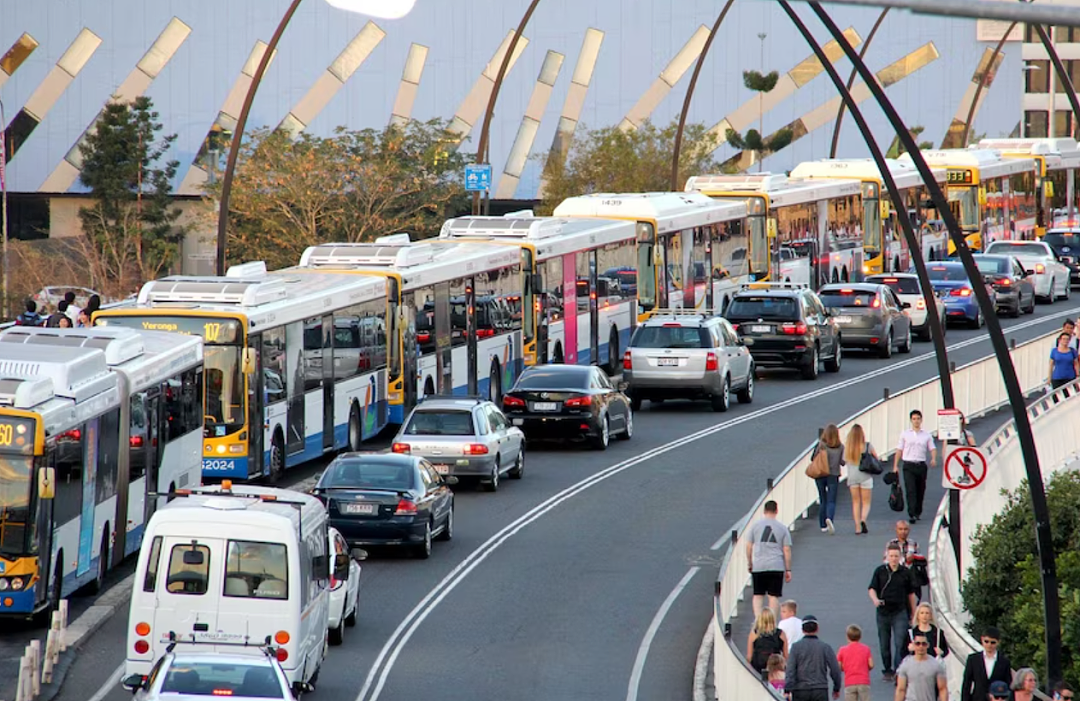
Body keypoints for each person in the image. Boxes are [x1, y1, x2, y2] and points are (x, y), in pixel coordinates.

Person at [869, 544, 918, 682]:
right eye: (891, 556)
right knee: (884, 643)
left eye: (896, 556)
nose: (894, 559)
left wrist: (913, 613)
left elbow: (911, 594)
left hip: (900, 611)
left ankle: (898, 669)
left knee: (900, 642)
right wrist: (875, 600)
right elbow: (872, 588)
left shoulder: (905, 573)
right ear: (886, 556)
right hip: (883, 612)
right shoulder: (880, 571)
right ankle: (887, 669)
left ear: (900, 557)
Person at [745, 500, 792, 618]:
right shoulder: (782, 528)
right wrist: (788, 569)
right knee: (773, 596)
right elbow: (786, 549)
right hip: (776, 565)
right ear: (776, 511)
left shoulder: (755, 526)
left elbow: (749, 546)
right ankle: (772, 623)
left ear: (764, 511)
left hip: (759, 565)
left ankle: (758, 622)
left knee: (758, 595)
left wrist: (750, 563)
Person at [784, 615, 843, 701]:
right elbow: (835, 669)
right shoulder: (825, 647)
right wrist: (836, 687)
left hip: (800, 690)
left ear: (802, 630)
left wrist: (787, 689)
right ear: (817, 629)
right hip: (820, 689)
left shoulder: (795, 647)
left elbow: (790, 670)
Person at [893, 410, 937, 524]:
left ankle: (918, 511)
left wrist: (933, 458)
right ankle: (911, 513)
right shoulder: (905, 434)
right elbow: (899, 449)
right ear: (911, 420)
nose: (916, 421)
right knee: (910, 489)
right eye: (914, 419)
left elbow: (932, 448)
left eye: (918, 419)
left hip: (921, 465)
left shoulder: (926, 435)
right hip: (908, 464)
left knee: (920, 489)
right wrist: (895, 465)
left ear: (921, 420)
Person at [960, 626, 1011, 701]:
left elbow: (1008, 684)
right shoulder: (973, 659)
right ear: (982, 640)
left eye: (993, 642)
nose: (989, 645)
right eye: (986, 641)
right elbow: (966, 684)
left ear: (998, 642)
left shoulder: (1004, 662)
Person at [844, 423, 878, 535]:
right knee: (866, 502)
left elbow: (844, 461)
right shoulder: (867, 446)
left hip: (852, 477)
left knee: (855, 502)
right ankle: (863, 519)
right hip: (865, 476)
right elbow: (876, 458)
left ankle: (857, 526)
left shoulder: (847, 448)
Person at [894, 631, 947, 701]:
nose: (921, 646)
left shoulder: (936, 665)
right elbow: (901, 689)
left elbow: (942, 689)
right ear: (913, 645)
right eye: (917, 644)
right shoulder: (906, 665)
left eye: (924, 644)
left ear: (928, 645)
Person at [812, 424, 845, 534]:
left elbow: (813, 458)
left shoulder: (821, 445)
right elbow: (843, 462)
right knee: (831, 500)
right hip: (833, 475)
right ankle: (829, 519)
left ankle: (822, 525)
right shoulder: (840, 447)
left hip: (820, 474)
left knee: (823, 499)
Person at [837, 624, 873, 701]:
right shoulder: (866, 649)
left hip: (849, 681)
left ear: (847, 636)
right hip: (863, 681)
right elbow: (871, 664)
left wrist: (845, 668)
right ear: (860, 637)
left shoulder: (842, 650)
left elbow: (839, 666)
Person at [747, 609, 787, 677]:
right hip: (775, 666)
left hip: (758, 666)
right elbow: (786, 655)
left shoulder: (754, 634)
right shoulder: (780, 634)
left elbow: (749, 656)